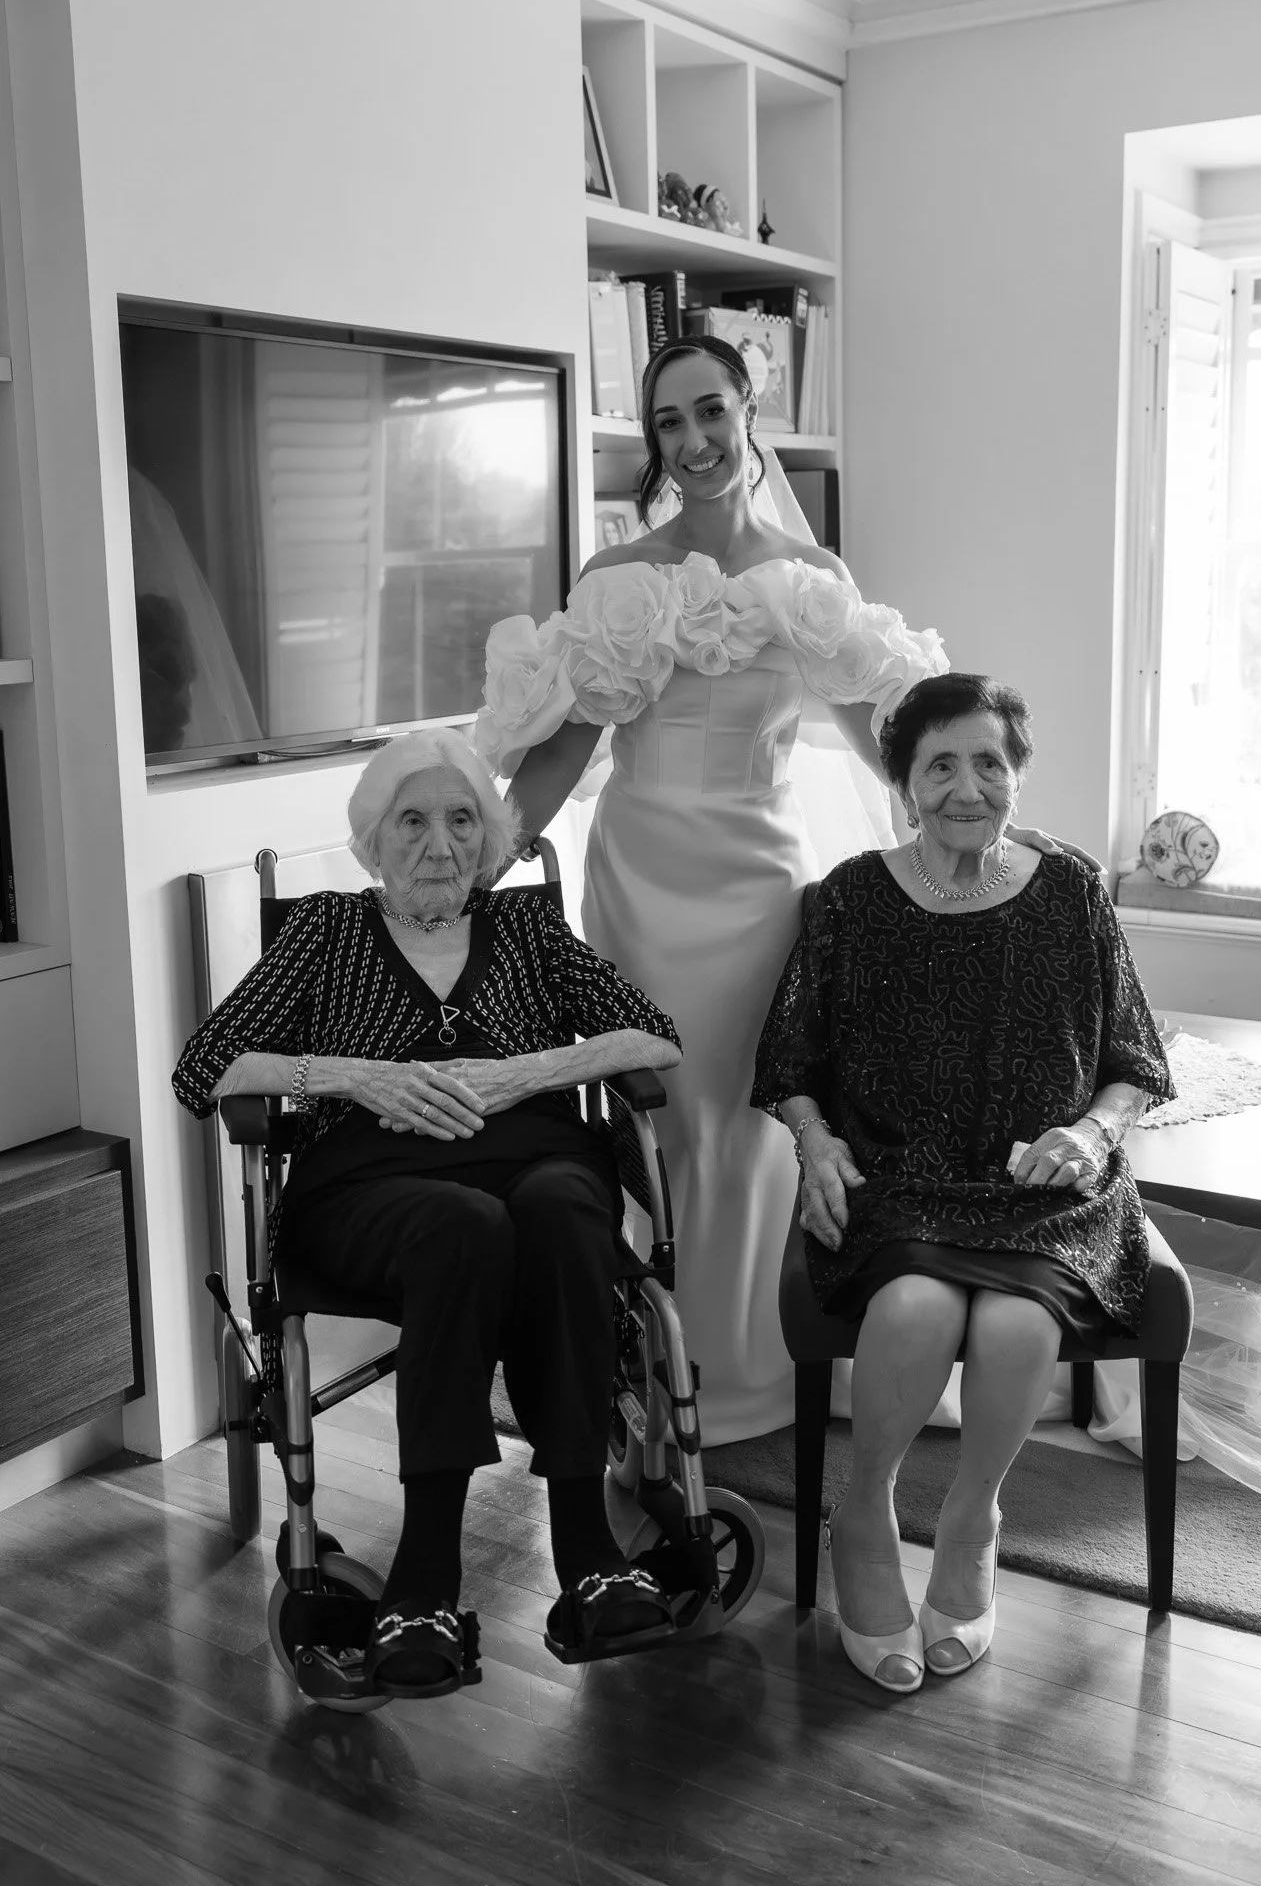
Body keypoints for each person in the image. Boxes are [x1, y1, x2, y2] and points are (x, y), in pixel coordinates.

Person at [475, 335, 951, 1444]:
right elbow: (560, 749)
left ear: (750, 412)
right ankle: (656, 1360)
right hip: (638, 883)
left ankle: (750, 1368)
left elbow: (883, 734)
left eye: (709, 412)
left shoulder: (812, 579)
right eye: (668, 425)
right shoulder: (616, 581)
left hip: (759, 891)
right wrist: (481, 857)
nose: (692, 442)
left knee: (749, 1123)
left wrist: (956, 834)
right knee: (657, 1120)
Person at [172, 728, 682, 1692]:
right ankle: (425, 1577)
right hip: (371, 1185)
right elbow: (207, 1066)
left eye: (460, 821)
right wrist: (359, 1077)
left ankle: (588, 1554)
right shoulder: (326, 932)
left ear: (486, 841)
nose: (438, 844)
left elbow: (654, 1039)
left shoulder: (527, 933)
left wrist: (527, 1071)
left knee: (566, 1214)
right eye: (412, 821)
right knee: (463, 1225)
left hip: (534, 1156)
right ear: (372, 843)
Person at [751, 672, 1175, 1693]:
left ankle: (973, 1515)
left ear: (1017, 775)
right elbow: (789, 1066)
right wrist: (814, 1144)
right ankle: (863, 1513)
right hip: (900, 1175)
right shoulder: (852, 897)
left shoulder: (1071, 889)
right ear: (904, 780)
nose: (967, 784)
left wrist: (1089, 1130)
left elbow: (1134, 1061)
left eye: (990, 760)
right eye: (941, 762)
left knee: (1021, 1327)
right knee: (912, 1306)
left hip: (1049, 1191)